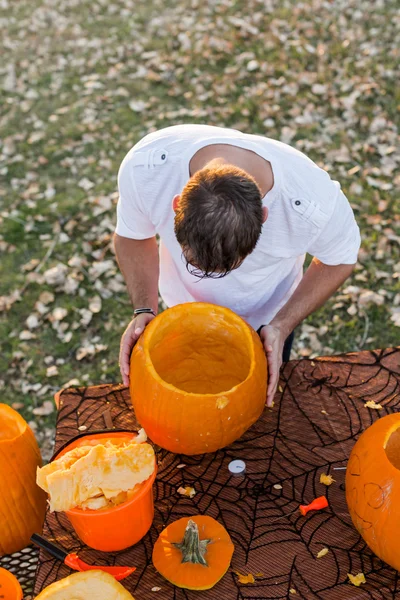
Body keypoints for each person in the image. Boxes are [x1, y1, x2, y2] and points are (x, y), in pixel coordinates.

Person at [114, 124, 361, 406]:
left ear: (265, 216)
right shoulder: (147, 168)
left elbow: (339, 260)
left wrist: (281, 326)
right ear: (177, 203)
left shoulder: (313, 206)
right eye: (193, 263)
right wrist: (144, 308)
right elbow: (133, 237)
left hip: (265, 322)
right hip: (182, 313)